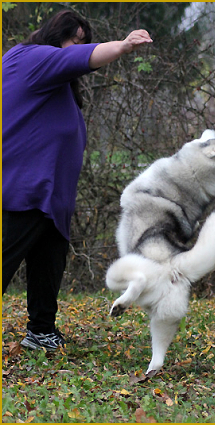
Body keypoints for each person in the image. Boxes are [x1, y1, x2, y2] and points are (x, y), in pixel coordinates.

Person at [2, 10, 153, 350]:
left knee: (48, 263)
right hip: (26, 188)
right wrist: (124, 46)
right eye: (73, 38)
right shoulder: (32, 58)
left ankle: (40, 331)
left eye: (82, 41)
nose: (76, 46)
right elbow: (80, 57)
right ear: (55, 35)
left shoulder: (52, 80)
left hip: (51, 194)